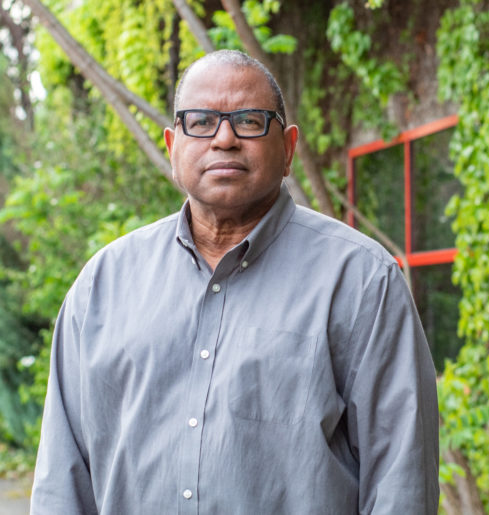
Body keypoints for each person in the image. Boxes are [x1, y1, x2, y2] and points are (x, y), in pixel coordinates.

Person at [31, 49, 439, 514]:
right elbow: (62, 484)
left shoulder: (362, 281)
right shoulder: (101, 286)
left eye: (249, 120)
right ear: (172, 147)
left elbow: (401, 484)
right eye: (201, 121)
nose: (224, 138)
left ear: (287, 149)